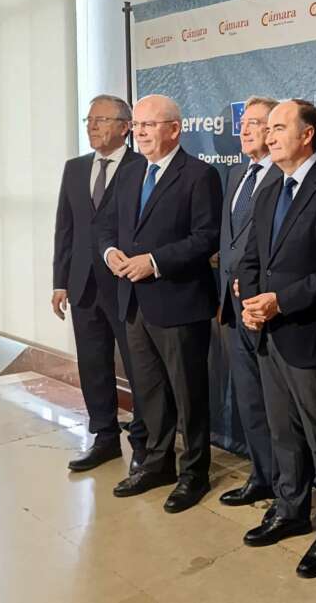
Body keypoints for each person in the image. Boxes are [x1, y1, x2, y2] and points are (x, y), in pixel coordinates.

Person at [236, 99, 316, 579]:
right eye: (267, 128)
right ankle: (290, 510)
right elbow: (251, 256)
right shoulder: (268, 189)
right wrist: (250, 301)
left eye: (279, 127)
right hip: (267, 333)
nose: (268, 135)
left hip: (307, 336)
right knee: (283, 431)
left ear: (307, 135)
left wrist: (279, 302)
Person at [97, 94, 223, 513]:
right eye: (137, 125)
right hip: (133, 302)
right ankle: (157, 463)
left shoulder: (199, 175)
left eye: (149, 125)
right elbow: (107, 226)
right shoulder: (132, 174)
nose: (140, 132)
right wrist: (110, 252)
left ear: (174, 129)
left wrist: (153, 262)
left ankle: (194, 474)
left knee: (189, 395)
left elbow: (206, 237)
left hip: (179, 302)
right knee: (150, 392)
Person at [52, 94, 148, 472]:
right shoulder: (75, 169)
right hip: (82, 285)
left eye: (101, 119)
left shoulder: (141, 167)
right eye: (89, 120)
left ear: (125, 127)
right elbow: (65, 229)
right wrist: (60, 281)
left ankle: (144, 440)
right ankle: (104, 437)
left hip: (127, 286)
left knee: (140, 368)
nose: (92, 126)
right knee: (93, 365)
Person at [217, 96, 282, 508]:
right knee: (249, 400)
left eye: (256, 123)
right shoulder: (237, 173)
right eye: (244, 122)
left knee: (278, 406)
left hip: (266, 308)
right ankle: (261, 476)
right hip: (230, 307)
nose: (244, 130)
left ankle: (287, 488)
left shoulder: (285, 177)